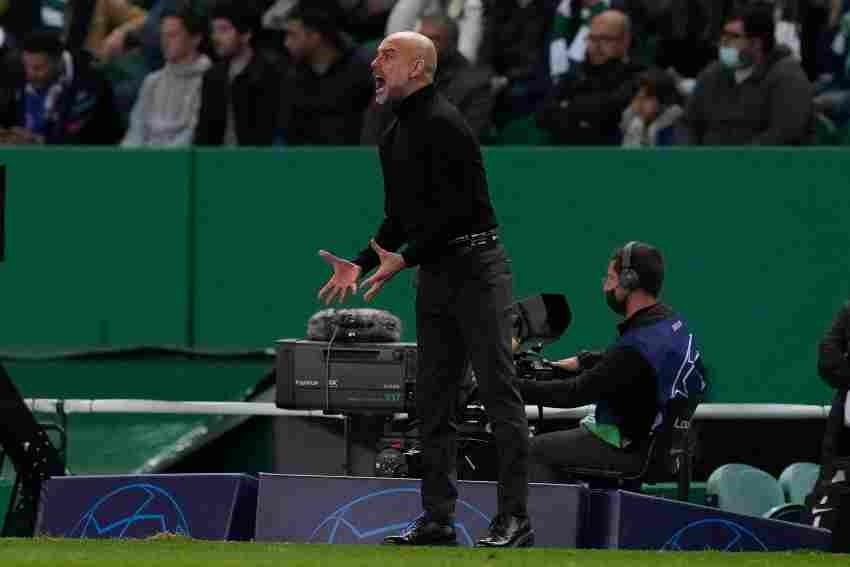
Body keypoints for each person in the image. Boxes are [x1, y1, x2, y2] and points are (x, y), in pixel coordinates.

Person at [316, 31, 532, 548]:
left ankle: (514, 519)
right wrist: (362, 261)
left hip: (478, 269)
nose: (375, 61)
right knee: (433, 401)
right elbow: (399, 219)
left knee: (499, 392)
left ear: (417, 68)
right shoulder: (394, 133)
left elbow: (456, 214)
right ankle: (437, 520)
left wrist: (403, 259)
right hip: (435, 273)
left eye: (388, 55)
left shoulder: (446, 124)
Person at [520, 242, 707, 481]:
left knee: (533, 450)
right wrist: (585, 360)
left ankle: (550, 519)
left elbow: (574, 393)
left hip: (632, 451)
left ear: (629, 281)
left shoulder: (634, 347)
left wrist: (509, 387)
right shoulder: (670, 323)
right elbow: (638, 366)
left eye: (610, 277)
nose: (605, 285)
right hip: (662, 449)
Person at [683, 2, 814, 145]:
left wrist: (737, 159)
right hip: (705, 162)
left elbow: (784, 134)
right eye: (723, 34)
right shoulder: (712, 74)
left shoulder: (788, 78)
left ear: (756, 44)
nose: (723, 42)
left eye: (733, 36)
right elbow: (687, 123)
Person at [121, 6, 211, 147]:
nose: (165, 42)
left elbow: (193, 133)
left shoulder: (209, 80)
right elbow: (135, 130)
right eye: (163, 35)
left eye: (173, 35)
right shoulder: (152, 81)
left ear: (195, 39)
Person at [194, 1, 280, 146]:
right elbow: (204, 133)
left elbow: (267, 135)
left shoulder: (268, 74)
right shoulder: (213, 75)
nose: (215, 37)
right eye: (213, 30)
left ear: (246, 35)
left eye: (224, 30)